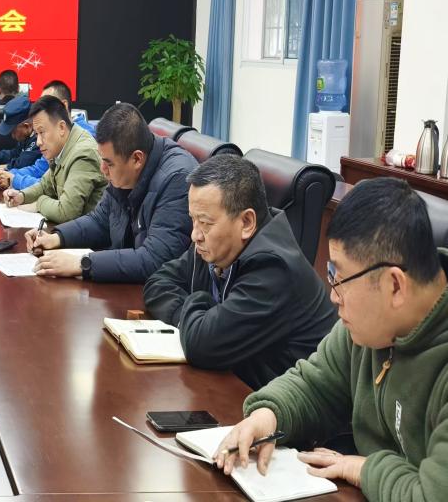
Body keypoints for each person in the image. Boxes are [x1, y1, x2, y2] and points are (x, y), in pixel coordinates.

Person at [214, 178, 448, 500]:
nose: (333, 296)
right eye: (331, 275)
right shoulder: (369, 329)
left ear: (395, 286)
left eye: (341, 279)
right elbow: (315, 384)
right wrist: (266, 417)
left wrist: (363, 469)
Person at [143, 154, 337, 389]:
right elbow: (158, 283)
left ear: (246, 222)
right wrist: (192, 320)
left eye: (205, 223)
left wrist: (198, 309)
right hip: (236, 385)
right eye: (193, 220)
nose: (195, 235)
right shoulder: (215, 245)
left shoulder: (274, 268)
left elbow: (201, 346)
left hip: (287, 403)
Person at [26, 103, 196, 282]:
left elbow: (156, 259)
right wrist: (57, 238)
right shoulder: (124, 167)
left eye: (109, 163)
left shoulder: (176, 179)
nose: (103, 169)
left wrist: (82, 264)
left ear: (137, 159)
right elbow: (100, 220)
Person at [1, 95, 106, 224]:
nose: (38, 142)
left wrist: (39, 203)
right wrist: (21, 196)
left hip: (90, 235)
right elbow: (45, 185)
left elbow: (66, 212)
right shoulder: (62, 146)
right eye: (36, 134)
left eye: (42, 132)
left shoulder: (83, 154)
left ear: (61, 127)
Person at [0, 81, 78, 190]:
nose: (38, 142)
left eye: (46, 107)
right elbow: (40, 170)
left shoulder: (82, 141)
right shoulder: (59, 136)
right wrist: (9, 174)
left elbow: (58, 190)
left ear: (64, 106)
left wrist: (14, 179)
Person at [0, 94, 37, 171]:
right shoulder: (26, 137)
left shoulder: (38, 139)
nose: (12, 136)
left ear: (27, 126)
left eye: (13, 131)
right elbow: (15, 153)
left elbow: (24, 162)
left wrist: (7, 167)